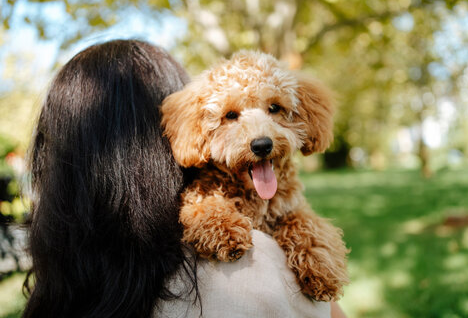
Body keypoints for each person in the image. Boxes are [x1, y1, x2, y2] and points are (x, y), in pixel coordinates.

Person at [24, 39, 343, 317]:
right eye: (231, 115)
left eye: (274, 108)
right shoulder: (259, 280)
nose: (261, 135)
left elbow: (293, 216)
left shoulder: (59, 279)